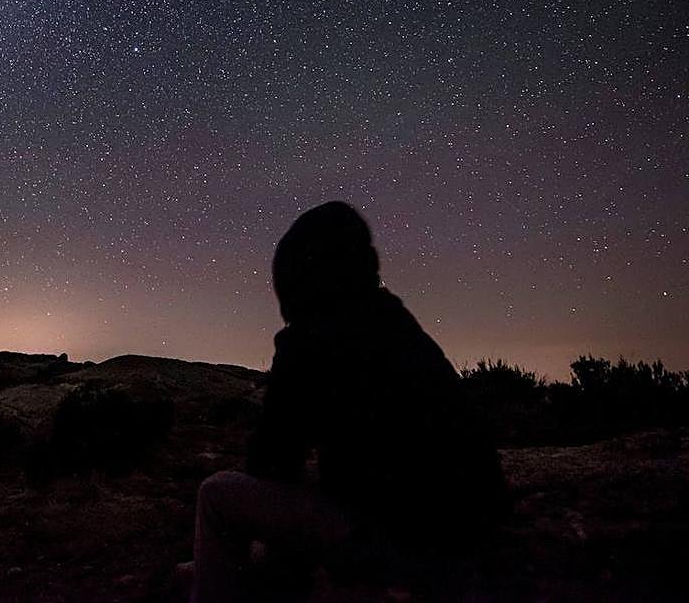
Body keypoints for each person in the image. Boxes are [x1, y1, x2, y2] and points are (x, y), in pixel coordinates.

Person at [190, 202, 507, 602]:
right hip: (466, 539)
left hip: (407, 547)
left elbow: (272, 460)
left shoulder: (309, 340)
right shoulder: (395, 322)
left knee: (217, 495)